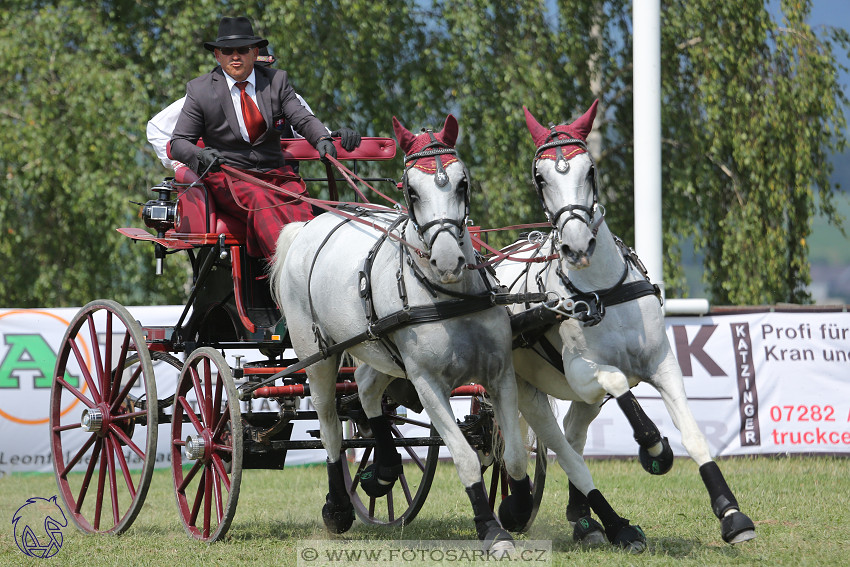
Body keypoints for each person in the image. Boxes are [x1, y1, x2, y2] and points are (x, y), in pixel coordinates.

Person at [167, 16, 361, 260]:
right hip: (231, 177)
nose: (235, 56)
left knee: (299, 206)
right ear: (218, 55)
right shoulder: (200, 90)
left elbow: (302, 118)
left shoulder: (276, 81)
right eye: (228, 51)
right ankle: (285, 276)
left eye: (242, 50)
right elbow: (178, 143)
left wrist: (322, 138)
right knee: (260, 200)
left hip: (277, 175)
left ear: (254, 52)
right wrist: (200, 154)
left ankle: (310, 268)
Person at [146, 47, 314, 173]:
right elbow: (157, 128)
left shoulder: (287, 96)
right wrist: (181, 164)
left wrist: (330, 138)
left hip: (283, 183)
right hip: (230, 184)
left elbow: (313, 131)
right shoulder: (206, 96)